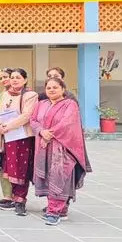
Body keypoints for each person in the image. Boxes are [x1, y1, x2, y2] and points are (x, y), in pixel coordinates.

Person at [31, 78, 92, 225]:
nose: (51, 90)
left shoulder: (70, 105)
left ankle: (54, 211)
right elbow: (33, 120)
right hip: (44, 146)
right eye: (49, 88)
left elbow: (67, 123)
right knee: (47, 176)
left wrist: (49, 134)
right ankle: (60, 208)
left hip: (62, 147)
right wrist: (41, 131)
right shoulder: (41, 104)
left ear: (63, 89)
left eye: (55, 87)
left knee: (60, 176)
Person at [0, 68, 38, 216]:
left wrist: (8, 126)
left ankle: (20, 199)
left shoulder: (30, 95)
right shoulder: (5, 94)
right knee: (9, 167)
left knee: (21, 168)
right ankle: (12, 197)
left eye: (18, 77)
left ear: (25, 80)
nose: (15, 80)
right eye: (12, 77)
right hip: (8, 137)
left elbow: (26, 116)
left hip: (22, 137)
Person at [0, 68, 14, 207]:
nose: (3, 80)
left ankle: (17, 196)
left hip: (16, 134)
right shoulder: (2, 94)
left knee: (14, 165)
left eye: (6, 77)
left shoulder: (23, 94)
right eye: (1, 78)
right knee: (1, 165)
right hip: (2, 133)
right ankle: (7, 195)